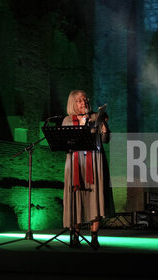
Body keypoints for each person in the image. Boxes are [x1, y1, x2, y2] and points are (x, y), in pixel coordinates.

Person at [62, 90, 114, 249]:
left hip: (95, 162)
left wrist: (105, 129)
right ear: (73, 104)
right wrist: (82, 125)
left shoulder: (95, 117)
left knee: (95, 197)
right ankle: (75, 236)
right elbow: (66, 142)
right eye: (79, 101)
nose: (83, 102)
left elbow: (105, 140)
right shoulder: (67, 121)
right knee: (76, 198)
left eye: (85, 99)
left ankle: (94, 237)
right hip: (76, 163)